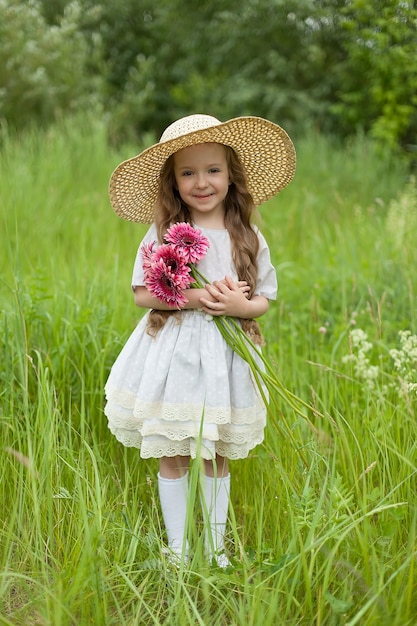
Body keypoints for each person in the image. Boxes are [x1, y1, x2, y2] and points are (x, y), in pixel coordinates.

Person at [104, 114, 296, 567]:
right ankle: (178, 549)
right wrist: (191, 297)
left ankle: (214, 547)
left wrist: (239, 308)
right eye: (187, 173)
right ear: (173, 182)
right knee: (173, 448)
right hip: (174, 353)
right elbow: (142, 294)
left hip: (224, 356)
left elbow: (264, 298)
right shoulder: (162, 234)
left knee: (213, 452)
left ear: (232, 176)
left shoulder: (247, 236)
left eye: (213, 170)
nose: (202, 182)